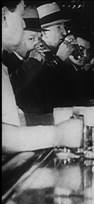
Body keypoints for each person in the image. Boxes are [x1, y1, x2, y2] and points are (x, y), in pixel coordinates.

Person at [2, 0, 83, 153]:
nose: (24, 24)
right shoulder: (22, 63)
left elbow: (19, 119)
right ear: (4, 16)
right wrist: (58, 134)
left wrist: (66, 119)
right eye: (20, 16)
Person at [2, 6, 48, 113]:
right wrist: (32, 63)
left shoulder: (38, 63)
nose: (38, 43)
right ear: (18, 36)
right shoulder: (5, 60)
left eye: (39, 38)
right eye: (31, 38)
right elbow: (8, 92)